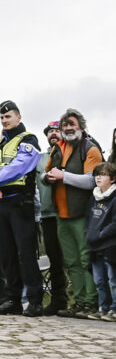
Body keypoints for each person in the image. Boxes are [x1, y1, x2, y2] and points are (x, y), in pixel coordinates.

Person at [0, 101, 43, 317]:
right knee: (6, 255)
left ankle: (35, 300)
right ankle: (13, 300)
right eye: (2, 117)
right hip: (3, 203)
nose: (5, 120)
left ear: (19, 117)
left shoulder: (28, 139)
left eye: (8, 116)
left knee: (26, 253)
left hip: (21, 202)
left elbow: (21, 166)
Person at [43, 108, 104, 318]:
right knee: (72, 261)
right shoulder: (57, 148)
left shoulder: (90, 148)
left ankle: (92, 303)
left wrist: (63, 175)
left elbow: (91, 180)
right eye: (65, 125)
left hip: (84, 213)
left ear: (81, 126)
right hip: (62, 214)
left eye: (72, 124)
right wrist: (47, 178)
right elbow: (47, 173)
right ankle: (78, 302)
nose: (68, 128)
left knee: (87, 260)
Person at [35, 121, 68, 314]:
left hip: (68, 212)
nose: (53, 134)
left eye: (57, 130)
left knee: (75, 258)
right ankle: (59, 300)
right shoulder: (41, 159)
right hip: (47, 214)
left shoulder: (69, 153)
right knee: (54, 259)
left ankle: (86, 300)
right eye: (50, 131)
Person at [85, 161, 116, 321]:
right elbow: (88, 219)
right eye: (97, 174)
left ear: (112, 179)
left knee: (113, 279)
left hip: (110, 245)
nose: (99, 178)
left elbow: (114, 223)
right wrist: (88, 233)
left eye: (103, 175)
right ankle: (103, 308)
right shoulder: (94, 197)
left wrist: (101, 234)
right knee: (99, 280)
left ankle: (114, 309)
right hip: (94, 245)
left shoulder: (114, 197)